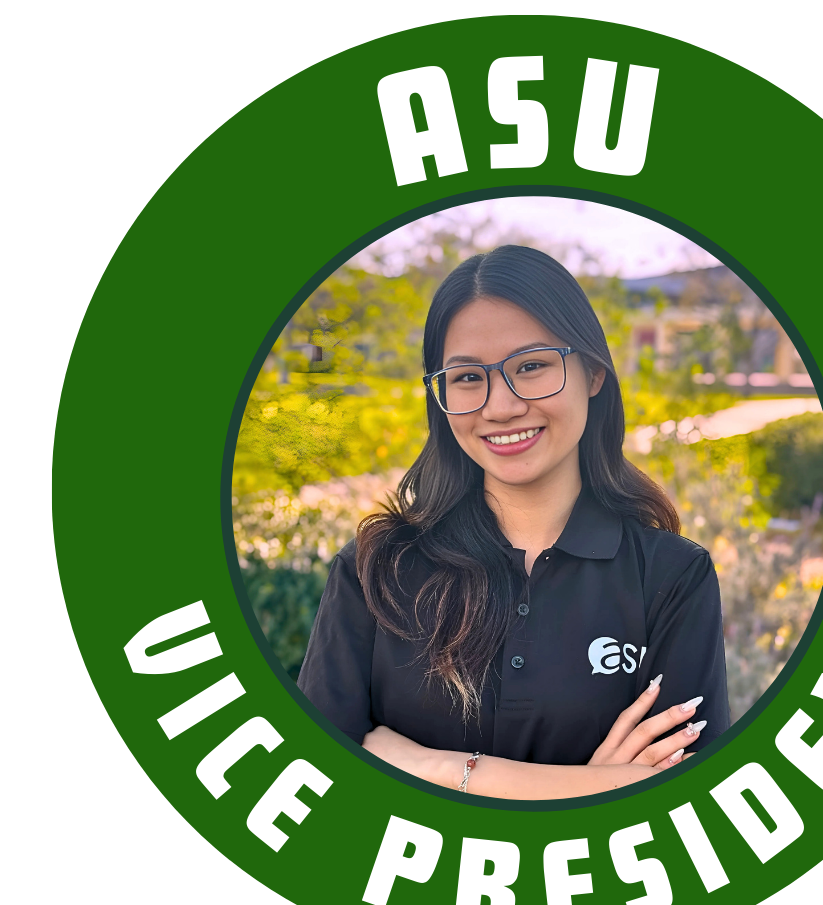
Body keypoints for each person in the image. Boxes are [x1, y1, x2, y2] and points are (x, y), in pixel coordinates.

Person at [297, 245, 729, 799]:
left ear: (593, 372)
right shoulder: (377, 571)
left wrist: (431, 767)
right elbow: (318, 790)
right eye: (468, 378)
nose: (500, 407)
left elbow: (684, 805)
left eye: (531, 366)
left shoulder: (671, 578)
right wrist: (592, 787)